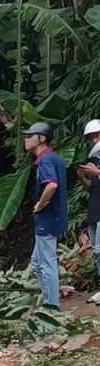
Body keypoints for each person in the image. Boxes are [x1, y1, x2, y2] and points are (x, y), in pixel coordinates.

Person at [22, 121, 69, 310]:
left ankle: (51, 306)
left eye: (29, 136)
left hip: (47, 219)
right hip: (53, 217)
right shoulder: (54, 157)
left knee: (46, 262)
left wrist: (40, 206)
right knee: (37, 261)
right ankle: (49, 298)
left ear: (42, 138)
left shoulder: (46, 159)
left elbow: (52, 185)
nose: (26, 140)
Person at [76, 119, 100, 301]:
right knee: (97, 252)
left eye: (96, 136)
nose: (93, 141)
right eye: (90, 138)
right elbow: (91, 188)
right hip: (94, 209)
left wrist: (97, 172)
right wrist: (83, 177)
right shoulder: (94, 159)